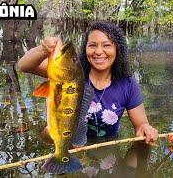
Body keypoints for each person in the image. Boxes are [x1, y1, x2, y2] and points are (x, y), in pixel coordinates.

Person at [18, 21, 158, 145]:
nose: (98, 52)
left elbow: (140, 125)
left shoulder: (127, 83)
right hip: (70, 145)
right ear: (85, 49)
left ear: (117, 50)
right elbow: (24, 66)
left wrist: (146, 129)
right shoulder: (69, 73)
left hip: (107, 146)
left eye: (107, 45)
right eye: (92, 45)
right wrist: (43, 49)